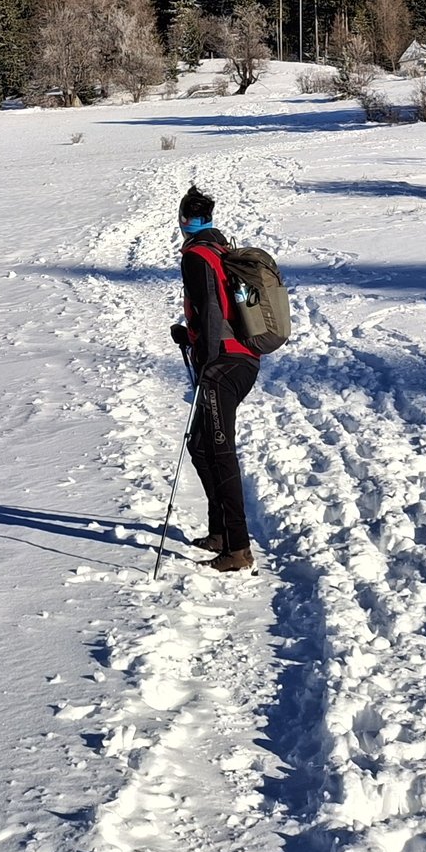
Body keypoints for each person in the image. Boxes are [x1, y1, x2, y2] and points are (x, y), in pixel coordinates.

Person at [169, 185, 259, 573]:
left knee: (220, 453)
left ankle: (238, 549)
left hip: (223, 364)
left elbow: (209, 307)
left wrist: (204, 356)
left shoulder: (198, 256)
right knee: (202, 445)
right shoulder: (221, 248)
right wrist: (187, 335)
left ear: (184, 222)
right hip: (238, 359)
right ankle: (220, 532)